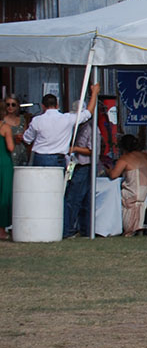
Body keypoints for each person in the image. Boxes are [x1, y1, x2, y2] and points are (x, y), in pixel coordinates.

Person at [23, 84, 99, 168]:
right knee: (57, 181)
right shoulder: (67, 118)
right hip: (59, 158)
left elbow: (27, 139)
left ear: (43, 106)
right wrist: (94, 93)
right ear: (57, 105)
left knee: (40, 181)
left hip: (41, 158)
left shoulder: (37, 120)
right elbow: (88, 113)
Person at [109, 134, 147, 237]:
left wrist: (107, 169)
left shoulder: (124, 159)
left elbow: (113, 175)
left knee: (115, 197)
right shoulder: (144, 156)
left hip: (137, 193)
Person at [63, 106, 94, 238]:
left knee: (74, 199)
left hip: (84, 165)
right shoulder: (76, 129)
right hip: (75, 165)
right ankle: (83, 228)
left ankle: (70, 229)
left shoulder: (90, 129)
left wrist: (75, 148)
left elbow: (92, 150)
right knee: (82, 200)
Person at [2, 96, 28, 165]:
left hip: (21, 151)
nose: (10, 107)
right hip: (7, 151)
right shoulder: (2, 121)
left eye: (13, 105)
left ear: (17, 106)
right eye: (8, 104)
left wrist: (22, 137)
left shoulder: (22, 119)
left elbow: (27, 136)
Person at [0, 110, 13, 239]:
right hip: (3, 163)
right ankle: (2, 230)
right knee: (4, 194)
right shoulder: (5, 128)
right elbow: (10, 147)